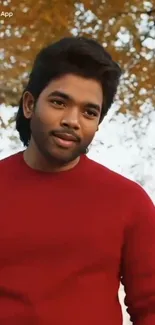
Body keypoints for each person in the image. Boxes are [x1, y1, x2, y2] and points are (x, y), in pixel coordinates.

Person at [0, 36, 155, 325]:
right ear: (30, 104)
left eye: (89, 112)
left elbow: (151, 307)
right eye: (59, 102)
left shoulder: (129, 202)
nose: (73, 120)